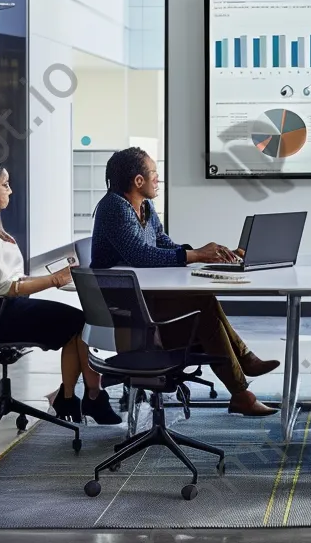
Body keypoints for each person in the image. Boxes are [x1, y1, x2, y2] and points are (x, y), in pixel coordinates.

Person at [90, 147, 279, 418]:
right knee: (202, 310)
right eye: (154, 173)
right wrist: (197, 254)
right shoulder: (114, 207)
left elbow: (163, 243)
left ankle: (243, 375)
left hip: (146, 295)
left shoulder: (144, 206)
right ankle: (242, 384)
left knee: (204, 301)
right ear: (138, 180)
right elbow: (140, 255)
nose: (158, 179)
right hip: (126, 306)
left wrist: (208, 256)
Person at [0, 160, 122, 425]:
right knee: (81, 322)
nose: (10, 191)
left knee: (79, 323)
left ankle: (76, 396)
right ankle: (89, 397)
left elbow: (12, 279)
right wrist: (56, 279)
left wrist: (57, 276)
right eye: (5, 185)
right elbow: (4, 286)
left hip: (5, 307)